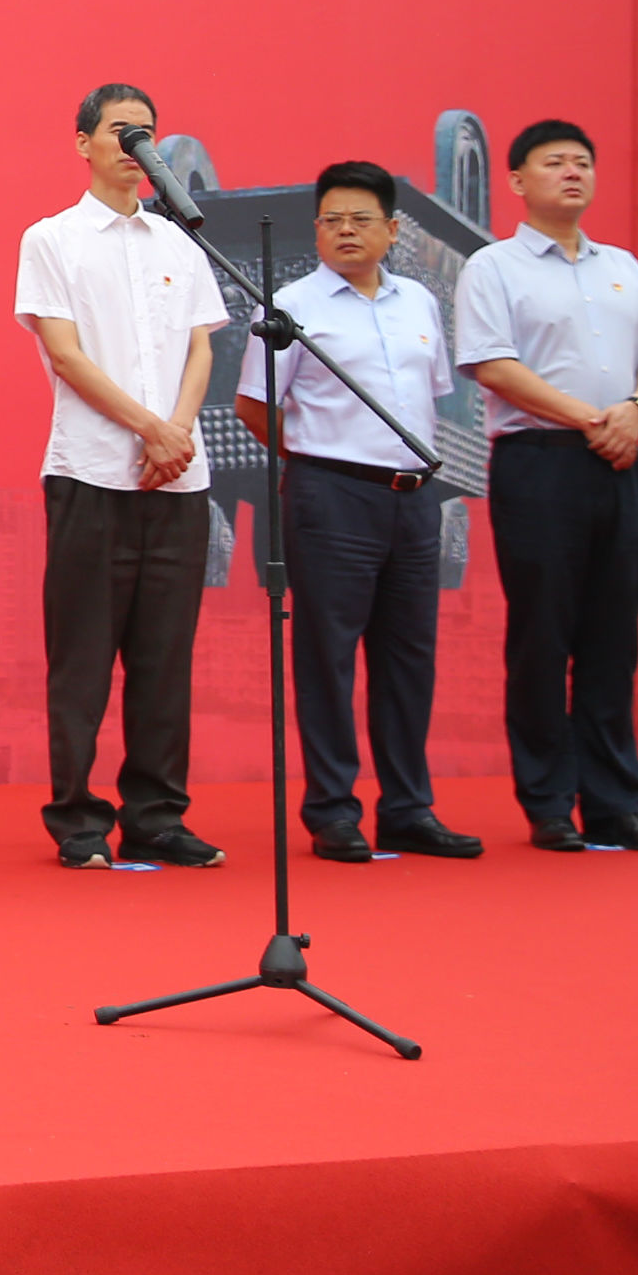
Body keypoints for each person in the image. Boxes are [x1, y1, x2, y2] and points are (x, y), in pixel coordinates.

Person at [232, 161, 483, 863]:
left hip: (414, 497)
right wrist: (319, 458)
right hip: (332, 495)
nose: (346, 231)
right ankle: (333, 810)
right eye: (333, 220)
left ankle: (408, 808)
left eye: (361, 219)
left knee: (409, 658)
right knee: (328, 657)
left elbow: (430, 399)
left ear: (393, 230)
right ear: (316, 231)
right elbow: (254, 404)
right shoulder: (289, 307)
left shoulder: (420, 303)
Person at [454, 118, 638, 853]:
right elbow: (494, 365)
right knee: (543, 635)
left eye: (583, 162)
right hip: (540, 460)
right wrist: (592, 417)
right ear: (518, 181)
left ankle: (616, 804)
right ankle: (549, 800)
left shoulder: (625, 267)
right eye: (555, 163)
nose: (573, 173)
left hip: (620, 460)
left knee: (613, 637)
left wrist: (636, 410)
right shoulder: (494, 266)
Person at [15, 82, 229, 870]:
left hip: (178, 480)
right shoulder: (53, 239)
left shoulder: (181, 242)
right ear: (83, 143)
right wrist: (150, 428)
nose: (136, 145)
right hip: (92, 473)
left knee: (165, 659)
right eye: (119, 131)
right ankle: (77, 819)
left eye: (146, 132)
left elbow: (202, 347)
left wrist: (177, 433)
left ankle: (157, 816)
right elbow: (66, 355)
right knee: (82, 659)